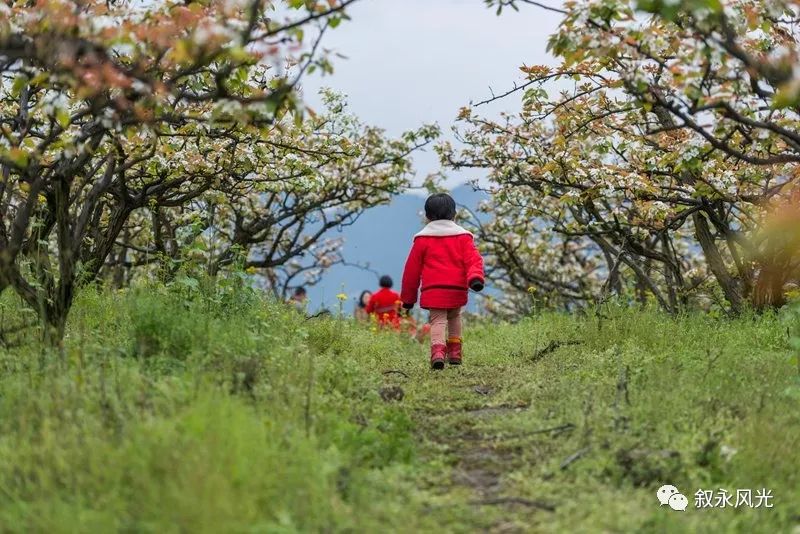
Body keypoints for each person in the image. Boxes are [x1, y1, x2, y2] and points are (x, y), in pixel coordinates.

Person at [400, 193, 484, 369]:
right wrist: (475, 277)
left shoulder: (422, 240)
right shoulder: (463, 237)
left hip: (434, 290)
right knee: (454, 317)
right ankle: (455, 353)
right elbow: (473, 259)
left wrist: (408, 299)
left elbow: (411, 271)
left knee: (437, 320)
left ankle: (438, 353)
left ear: (427, 216)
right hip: (456, 288)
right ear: (454, 214)